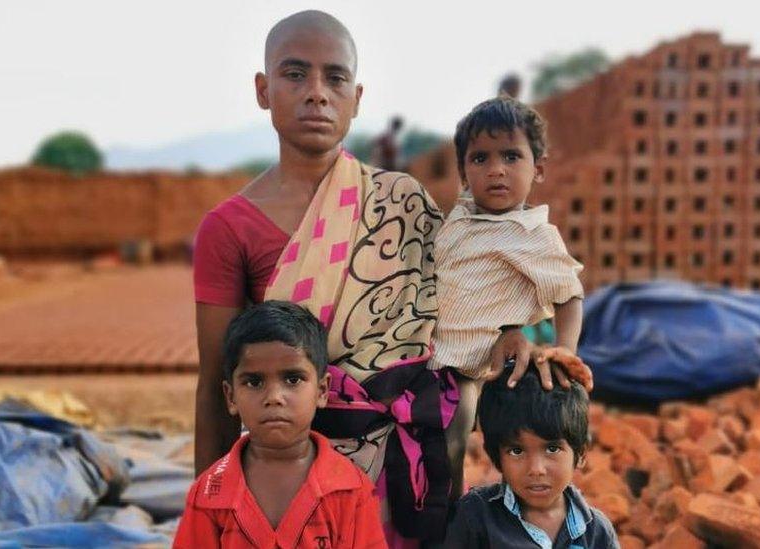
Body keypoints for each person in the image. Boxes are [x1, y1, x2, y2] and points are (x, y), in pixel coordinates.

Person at [192, 10, 589, 545]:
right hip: (296, 470)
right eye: (294, 74)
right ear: (263, 90)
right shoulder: (229, 229)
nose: (316, 93)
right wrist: (209, 511)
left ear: (357, 98)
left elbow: (453, 295)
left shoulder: (402, 201)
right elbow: (217, 384)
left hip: (416, 460)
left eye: (334, 77)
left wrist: (509, 331)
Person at [431, 96, 592, 500]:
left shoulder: (532, 234)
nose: (496, 170)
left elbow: (569, 294)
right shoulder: (462, 215)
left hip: (472, 365)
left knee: (453, 435)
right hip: (427, 353)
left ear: (537, 169)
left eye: (511, 156)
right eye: (480, 159)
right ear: (465, 172)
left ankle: (451, 513)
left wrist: (565, 350)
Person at [174, 301, 386, 548]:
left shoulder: (351, 490)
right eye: (254, 382)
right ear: (231, 397)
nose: (274, 396)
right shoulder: (209, 493)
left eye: (293, 379)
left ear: (322, 391)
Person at [437, 367, 619, 548]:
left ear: (580, 454)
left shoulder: (597, 533)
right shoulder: (475, 517)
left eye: (552, 449)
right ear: (496, 457)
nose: (536, 469)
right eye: (517, 451)